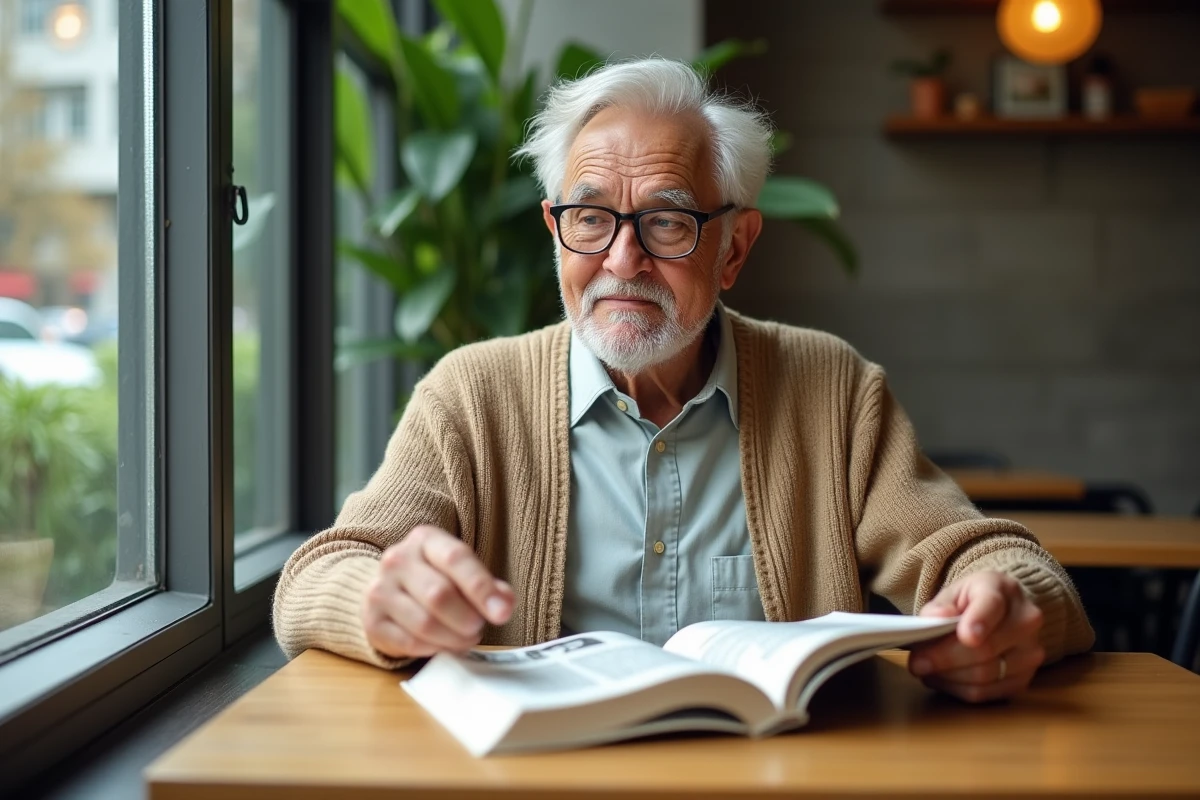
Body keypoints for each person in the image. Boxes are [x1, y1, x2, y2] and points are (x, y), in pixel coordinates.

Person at [274, 58, 1093, 703]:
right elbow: (318, 575)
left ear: (733, 248)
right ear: (557, 233)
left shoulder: (831, 388)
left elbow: (986, 558)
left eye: (667, 220)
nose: (621, 261)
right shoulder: (470, 394)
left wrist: (1009, 605)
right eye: (590, 217)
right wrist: (381, 603)